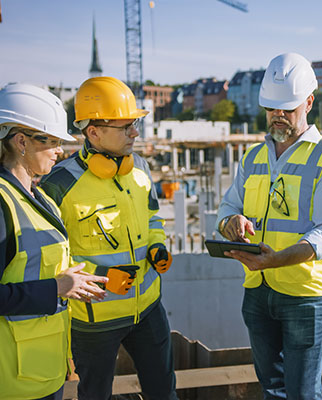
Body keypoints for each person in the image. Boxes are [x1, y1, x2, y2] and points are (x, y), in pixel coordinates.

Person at [216, 53, 322, 399]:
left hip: (305, 295)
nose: (278, 115)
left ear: (309, 102)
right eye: (271, 108)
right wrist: (230, 223)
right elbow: (227, 207)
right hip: (258, 289)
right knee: (272, 389)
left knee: (303, 393)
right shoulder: (253, 157)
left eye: (287, 108)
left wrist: (276, 260)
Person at [40, 77, 177, 400]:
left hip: (148, 310)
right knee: (95, 394)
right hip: (94, 320)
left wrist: (157, 245)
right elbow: (49, 256)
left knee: (163, 391)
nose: (135, 133)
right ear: (93, 132)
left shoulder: (140, 168)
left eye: (135, 124)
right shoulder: (59, 184)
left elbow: (154, 218)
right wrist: (100, 278)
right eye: (125, 126)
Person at [0, 83, 108, 400]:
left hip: (44, 370)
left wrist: (72, 282)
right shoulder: (2, 203)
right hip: (12, 382)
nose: (61, 150)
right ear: (21, 141)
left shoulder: (41, 198)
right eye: (53, 142)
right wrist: (59, 287)